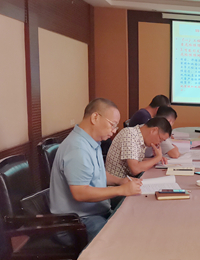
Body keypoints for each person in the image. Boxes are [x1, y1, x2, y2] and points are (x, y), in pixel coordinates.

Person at [50, 98, 142, 242]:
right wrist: (121, 190)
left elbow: (97, 173)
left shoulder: (92, 141)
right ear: (95, 117)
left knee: (134, 214)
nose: (114, 131)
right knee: (118, 239)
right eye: (112, 125)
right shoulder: (77, 148)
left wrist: (120, 181)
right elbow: (80, 193)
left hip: (93, 212)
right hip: (77, 222)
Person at [106, 117, 172, 179]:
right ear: (154, 130)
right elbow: (135, 169)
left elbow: (136, 160)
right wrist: (157, 158)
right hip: (116, 183)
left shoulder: (138, 136)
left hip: (127, 181)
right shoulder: (130, 134)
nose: (159, 143)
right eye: (160, 139)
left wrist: (155, 160)